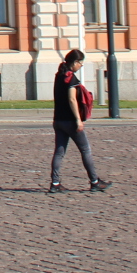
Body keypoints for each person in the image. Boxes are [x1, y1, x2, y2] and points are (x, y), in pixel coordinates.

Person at [50, 49, 110, 193]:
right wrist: (78, 120)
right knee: (85, 150)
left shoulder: (59, 76)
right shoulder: (71, 79)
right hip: (70, 121)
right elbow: (72, 99)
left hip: (58, 119)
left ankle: (55, 183)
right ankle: (95, 181)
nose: (81, 66)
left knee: (59, 152)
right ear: (75, 62)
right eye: (80, 63)